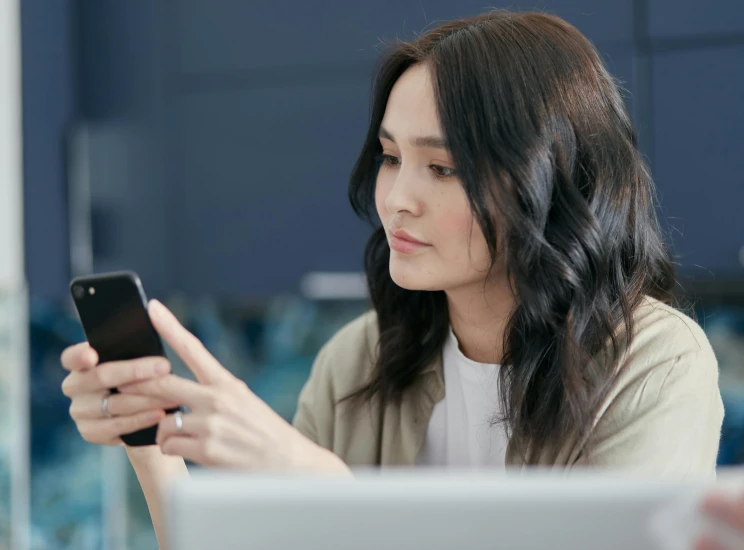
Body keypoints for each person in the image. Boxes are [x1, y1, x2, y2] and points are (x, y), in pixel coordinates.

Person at [60, 10, 724, 547]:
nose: (397, 199)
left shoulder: (656, 365)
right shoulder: (356, 361)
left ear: (547, 182)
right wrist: (148, 438)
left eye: (442, 168)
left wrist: (322, 488)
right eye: (389, 157)